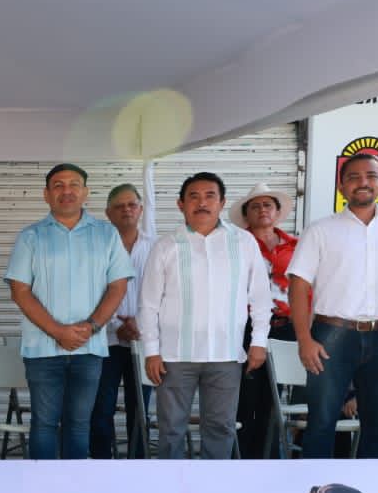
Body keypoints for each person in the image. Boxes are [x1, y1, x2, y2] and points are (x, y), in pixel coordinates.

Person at [287, 152, 378, 458]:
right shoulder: (321, 230)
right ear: (341, 186)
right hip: (331, 336)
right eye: (353, 177)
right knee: (321, 423)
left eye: (370, 176)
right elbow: (298, 286)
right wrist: (304, 339)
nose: (362, 183)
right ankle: (311, 492)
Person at [138, 172, 270, 460]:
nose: (202, 203)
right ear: (180, 204)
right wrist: (151, 351)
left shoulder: (244, 242)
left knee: (221, 427)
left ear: (222, 202)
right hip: (174, 356)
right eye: (193, 197)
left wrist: (259, 342)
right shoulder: (166, 246)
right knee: (171, 429)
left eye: (210, 196)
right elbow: (148, 305)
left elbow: (260, 297)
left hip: (225, 353)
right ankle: (170, 491)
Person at [5, 164, 131, 460]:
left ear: (85, 193)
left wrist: (92, 326)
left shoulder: (106, 235)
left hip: (90, 347)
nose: (67, 191)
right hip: (42, 350)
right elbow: (20, 291)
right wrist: (58, 331)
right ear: (46, 195)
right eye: (58, 185)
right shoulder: (30, 237)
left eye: (74, 184)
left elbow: (118, 286)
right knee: (45, 424)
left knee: (79, 425)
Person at [229, 182, 299, 458]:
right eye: (255, 206)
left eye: (267, 204)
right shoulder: (237, 244)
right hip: (247, 327)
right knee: (246, 396)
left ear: (277, 211)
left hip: (286, 326)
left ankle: (269, 458)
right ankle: (242, 458)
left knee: (274, 398)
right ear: (246, 214)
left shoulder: (296, 246)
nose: (262, 210)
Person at [89, 184, 154, 459]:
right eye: (119, 206)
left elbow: (163, 293)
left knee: (140, 409)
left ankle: (138, 466)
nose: (126, 210)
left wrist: (139, 324)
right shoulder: (96, 249)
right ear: (108, 213)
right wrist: (117, 324)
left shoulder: (155, 247)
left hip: (144, 340)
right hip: (106, 339)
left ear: (140, 209)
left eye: (131, 204)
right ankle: (102, 464)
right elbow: (91, 291)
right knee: (100, 408)